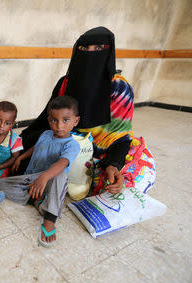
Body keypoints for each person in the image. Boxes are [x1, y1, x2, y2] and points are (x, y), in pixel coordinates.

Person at [20, 26, 153, 196]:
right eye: (84, 49)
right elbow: (48, 121)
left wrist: (113, 164)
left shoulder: (119, 89)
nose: (91, 55)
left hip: (104, 153)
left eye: (98, 49)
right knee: (23, 152)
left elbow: (120, 137)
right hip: (65, 142)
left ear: (109, 52)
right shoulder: (66, 84)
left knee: (124, 180)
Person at [0, 96, 80, 247]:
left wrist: (44, 177)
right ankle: (36, 201)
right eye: (54, 120)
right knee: (2, 184)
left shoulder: (72, 145)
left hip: (50, 183)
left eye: (65, 120)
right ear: (49, 119)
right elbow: (36, 148)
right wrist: (21, 157)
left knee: (61, 175)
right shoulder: (46, 134)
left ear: (76, 121)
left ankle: (50, 219)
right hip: (33, 180)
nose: (59, 126)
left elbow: (63, 163)